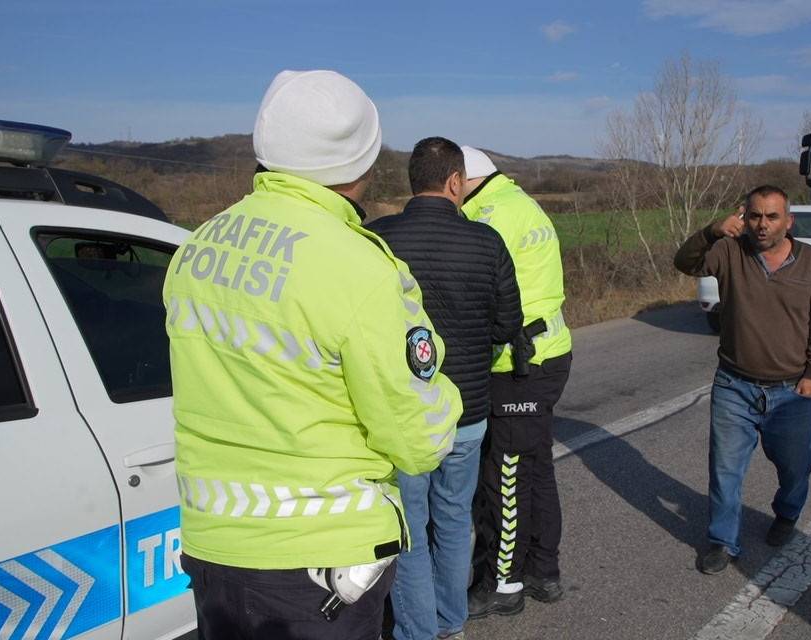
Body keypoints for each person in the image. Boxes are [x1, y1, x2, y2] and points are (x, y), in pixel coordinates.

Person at [164, 70, 462, 640]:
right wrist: (444, 393)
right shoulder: (360, 269)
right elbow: (419, 438)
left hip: (214, 549)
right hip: (321, 567)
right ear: (365, 163)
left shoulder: (197, 246)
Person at [366, 137, 523, 640]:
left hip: (401, 413)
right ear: (455, 182)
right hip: (468, 410)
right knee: (454, 521)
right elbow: (507, 325)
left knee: (408, 529)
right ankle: (450, 622)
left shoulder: (376, 239)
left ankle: (416, 630)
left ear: (413, 181)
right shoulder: (486, 241)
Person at [672, 184, 811, 575]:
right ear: (745, 217)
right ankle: (723, 541)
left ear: (787, 221)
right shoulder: (730, 251)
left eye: (772, 216)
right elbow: (684, 262)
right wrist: (713, 230)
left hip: (791, 391)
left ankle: (787, 514)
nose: (762, 225)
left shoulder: (809, 261)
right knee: (725, 469)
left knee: (796, 467)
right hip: (734, 386)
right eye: (755, 216)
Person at [459, 146, 573, 618]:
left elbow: (473, 290)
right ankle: (544, 571)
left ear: (463, 179)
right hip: (549, 352)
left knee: (505, 476)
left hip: (517, 363)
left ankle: (503, 583)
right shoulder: (519, 200)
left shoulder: (488, 214)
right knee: (534, 468)